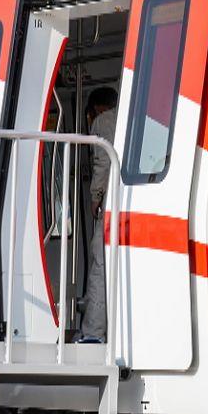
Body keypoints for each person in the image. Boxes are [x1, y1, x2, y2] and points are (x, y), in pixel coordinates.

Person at [77, 86, 120, 343]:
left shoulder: (103, 122)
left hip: (111, 207)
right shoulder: (130, 120)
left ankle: (93, 333)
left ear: (98, 107)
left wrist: (95, 196)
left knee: (99, 265)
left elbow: (102, 162)